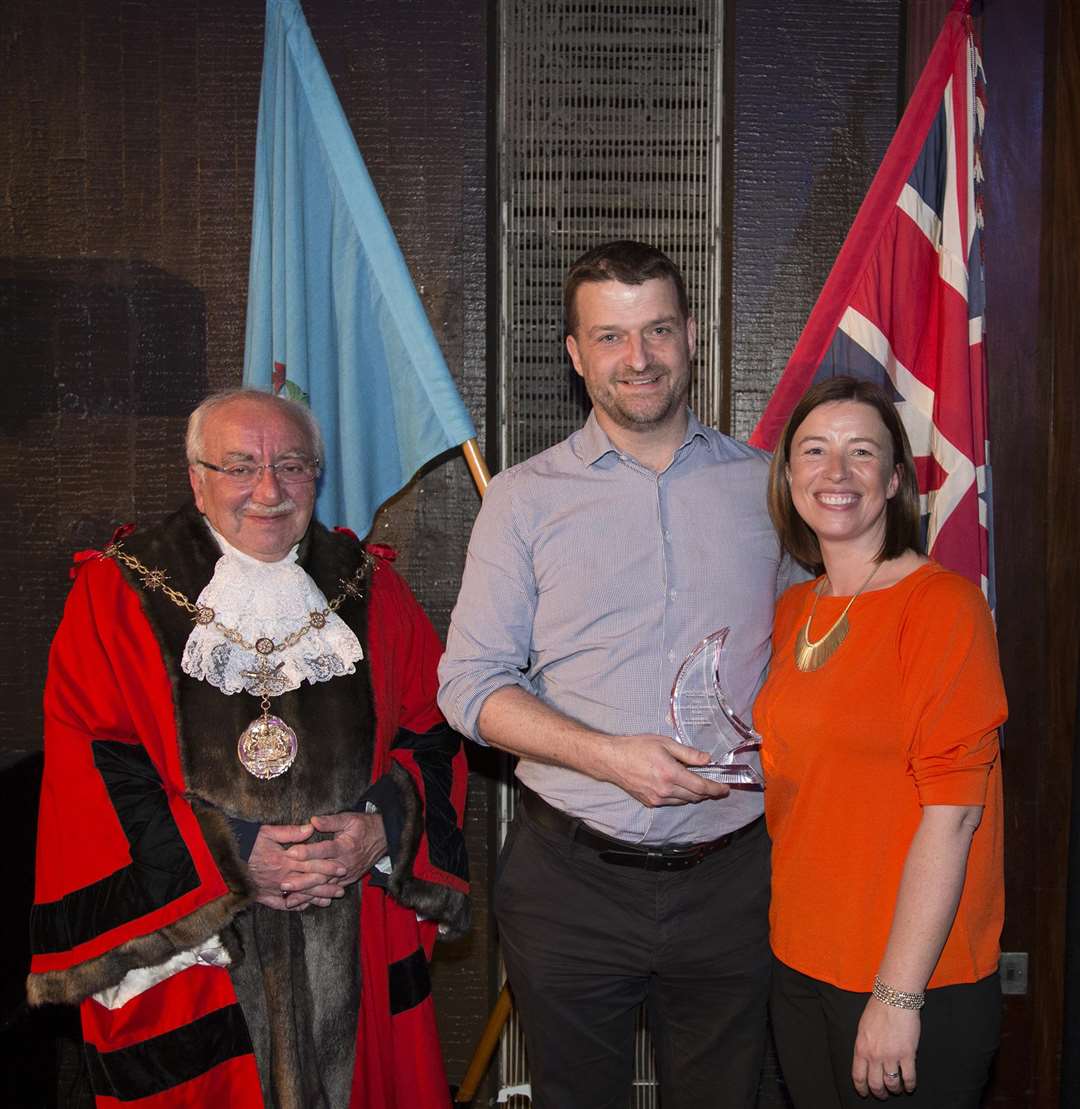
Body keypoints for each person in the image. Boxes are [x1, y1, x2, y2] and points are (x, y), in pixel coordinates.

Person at [27, 388, 470, 1109]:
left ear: (316, 476)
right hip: (194, 958)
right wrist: (229, 851)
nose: (268, 489)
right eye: (239, 466)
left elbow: (434, 724)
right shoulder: (117, 592)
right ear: (196, 477)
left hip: (352, 923)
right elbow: (93, 765)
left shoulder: (371, 586)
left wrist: (383, 826)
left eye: (291, 465)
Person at [438, 240, 794, 1109]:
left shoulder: (772, 490)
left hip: (739, 879)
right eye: (610, 336)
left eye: (658, 330)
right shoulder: (523, 500)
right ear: (574, 353)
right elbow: (468, 686)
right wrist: (608, 756)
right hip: (572, 881)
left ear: (692, 336)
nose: (638, 358)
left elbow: (815, 658)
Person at [754, 375, 1006, 1107]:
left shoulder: (942, 607)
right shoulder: (793, 608)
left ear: (894, 480)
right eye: (814, 451)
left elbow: (954, 813)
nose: (836, 473)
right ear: (790, 475)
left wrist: (898, 996)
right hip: (799, 961)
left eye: (861, 452)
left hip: (914, 979)